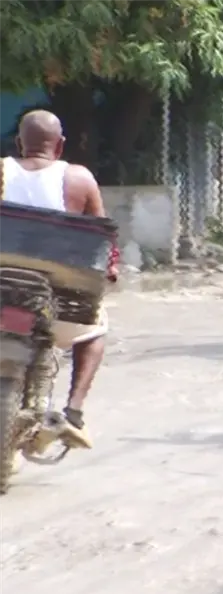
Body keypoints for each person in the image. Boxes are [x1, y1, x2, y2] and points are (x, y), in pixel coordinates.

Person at [0, 110, 115, 450]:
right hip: (57, 305)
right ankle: (74, 412)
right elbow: (102, 240)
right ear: (60, 145)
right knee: (96, 328)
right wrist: (111, 270)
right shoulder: (78, 178)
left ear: (19, 142)